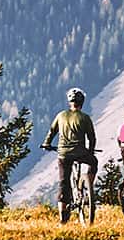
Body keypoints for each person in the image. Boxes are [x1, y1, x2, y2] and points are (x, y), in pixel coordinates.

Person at [42, 87, 98, 223]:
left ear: (69, 102)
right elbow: (92, 138)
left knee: (63, 183)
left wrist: (46, 144)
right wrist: (90, 151)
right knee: (93, 162)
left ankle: (63, 217)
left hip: (63, 154)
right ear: (82, 102)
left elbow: (52, 131)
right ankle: (88, 184)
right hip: (80, 152)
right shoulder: (85, 118)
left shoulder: (61, 116)